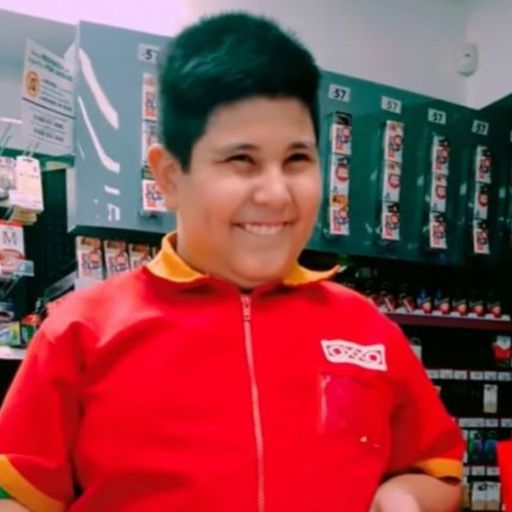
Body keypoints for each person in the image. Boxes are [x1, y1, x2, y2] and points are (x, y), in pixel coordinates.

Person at [0, 12, 463, 512]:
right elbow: (19, 495)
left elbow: (437, 472)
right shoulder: (80, 333)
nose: (276, 193)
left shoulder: (367, 329)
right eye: (241, 160)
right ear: (170, 176)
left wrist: (404, 498)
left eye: (297, 160)